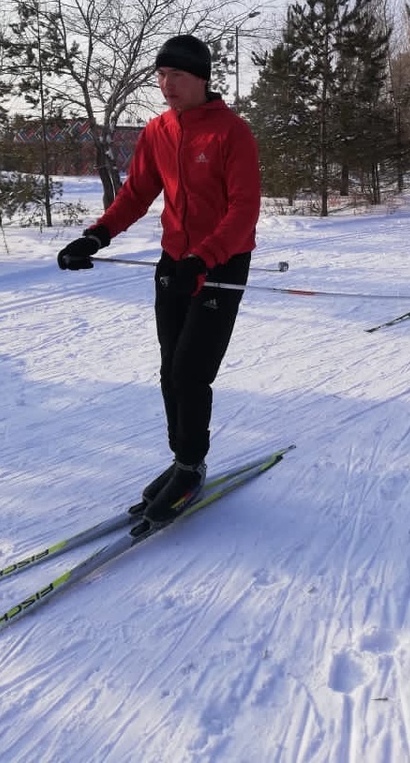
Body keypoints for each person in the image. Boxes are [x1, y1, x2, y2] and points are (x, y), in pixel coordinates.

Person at [57, 34, 261, 525]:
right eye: (161, 75)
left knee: (192, 370)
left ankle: (191, 467)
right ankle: (181, 459)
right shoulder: (158, 131)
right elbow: (137, 193)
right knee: (171, 369)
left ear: (201, 79)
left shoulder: (232, 133)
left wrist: (206, 257)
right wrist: (96, 235)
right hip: (175, 262)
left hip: (221, 263)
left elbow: (243, 211)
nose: (166, 84)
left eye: (177, 76)